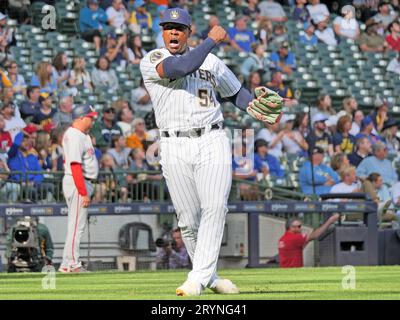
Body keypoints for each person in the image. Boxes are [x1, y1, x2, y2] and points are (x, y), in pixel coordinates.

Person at [140, 7, 283, 296]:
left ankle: (196, 280)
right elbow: (181, 68)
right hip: (172, 143)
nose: (173, 33)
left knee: (216, 206)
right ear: (162, 32)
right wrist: (211, 40)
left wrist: (253, 105)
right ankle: (211, 277)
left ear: (188, 32)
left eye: (179, 28)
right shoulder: (153, 58)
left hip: (211, 138)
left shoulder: (213, 62)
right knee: (187, 220)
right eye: (168, 28)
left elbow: (235, 92)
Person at [59, 104, 99, 273]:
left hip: (81, 182)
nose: (93, 119)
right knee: (77, 226)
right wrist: (83, 192)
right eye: (90, 117)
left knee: (75, 225)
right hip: (78, 182)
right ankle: (73, 264)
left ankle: (66, 264)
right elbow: (75, 166)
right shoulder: (74, 135)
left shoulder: (82, 135)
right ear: (81, 117)